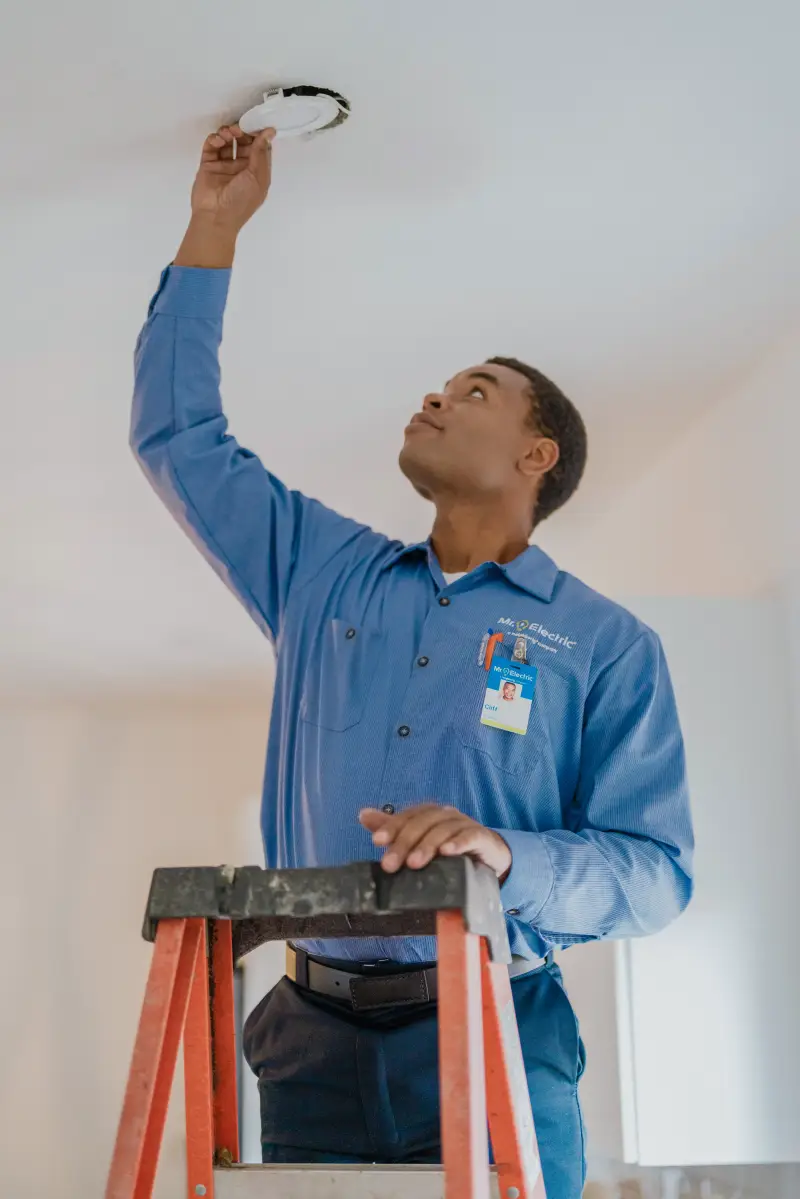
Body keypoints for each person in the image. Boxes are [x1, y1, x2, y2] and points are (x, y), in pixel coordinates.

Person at [130, 124, 694, 1199]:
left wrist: (504, 850)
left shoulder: (608, 643)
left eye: (473, 389)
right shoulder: (319, 574)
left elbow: (655, 872)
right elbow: (177, 440)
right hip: (307, 1037)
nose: (433, 395)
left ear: (538, 456)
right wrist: (213, 228)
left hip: (498, 1028)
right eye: (438, 384)